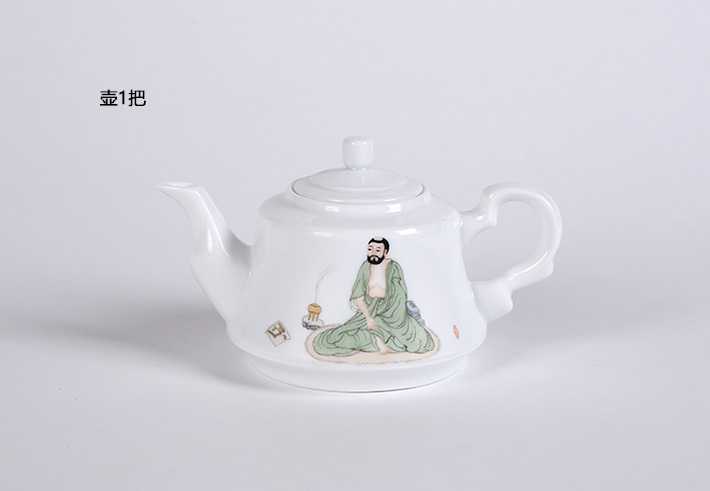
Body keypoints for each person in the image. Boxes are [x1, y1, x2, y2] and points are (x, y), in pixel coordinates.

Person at [312, 237, 435, 356]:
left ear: (385, 252)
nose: (373, 253)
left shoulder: (394, 268)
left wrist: (381, 317)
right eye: (370, 249)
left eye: (377, 250)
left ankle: (378, 338)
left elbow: (399, 297)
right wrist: (368, 318)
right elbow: (359, 296)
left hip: (390, 313)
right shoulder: (365, 267)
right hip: (368, 309)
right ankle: (378, 339)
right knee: (336, 337)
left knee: (416, 342)